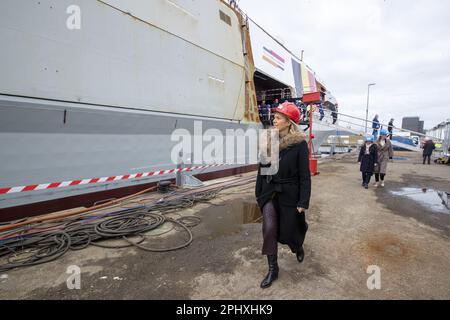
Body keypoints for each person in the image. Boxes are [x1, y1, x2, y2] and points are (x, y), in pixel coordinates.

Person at [255, 102, 311, 289]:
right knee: (269, 228)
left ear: (289, 122)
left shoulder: (300, 145)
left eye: (278, 118)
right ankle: (273, 269)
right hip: (270, 193)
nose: (274, 120)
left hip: (290, 194)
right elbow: (261, 169)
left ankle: (297, 246)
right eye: (275, 117)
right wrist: (259, 194)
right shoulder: (269, 141)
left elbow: (304, 175)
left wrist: (303, 200)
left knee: (289, 232)